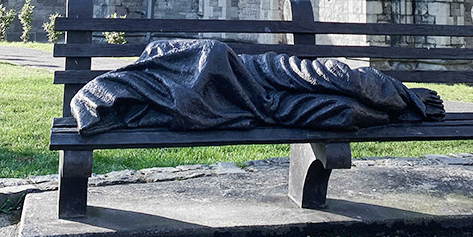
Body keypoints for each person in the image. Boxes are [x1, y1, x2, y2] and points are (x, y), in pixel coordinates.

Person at [71, 38, 444, 135]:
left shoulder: (160, 57)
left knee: (341, 78)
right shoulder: (144, 100)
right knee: (341, 113)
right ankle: (403, 108)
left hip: (262, 73)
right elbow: (91, 103)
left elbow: (213, 54)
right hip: (260, 106)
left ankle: (406, 98)